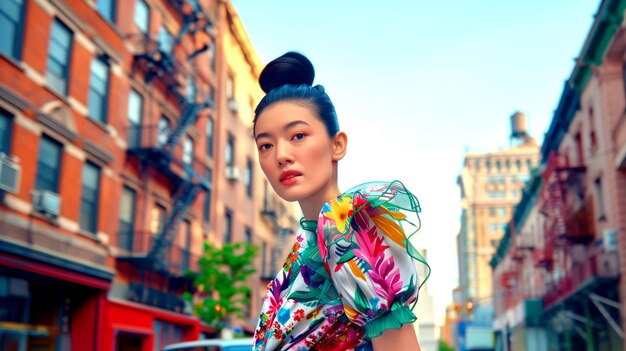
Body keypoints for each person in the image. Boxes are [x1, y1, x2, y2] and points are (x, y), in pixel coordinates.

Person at [252, 52, 430, 351]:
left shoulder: (351, 228)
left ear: (337, 145)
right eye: (266, 145)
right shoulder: (306, 244)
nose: (281, 155)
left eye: (297, 135)